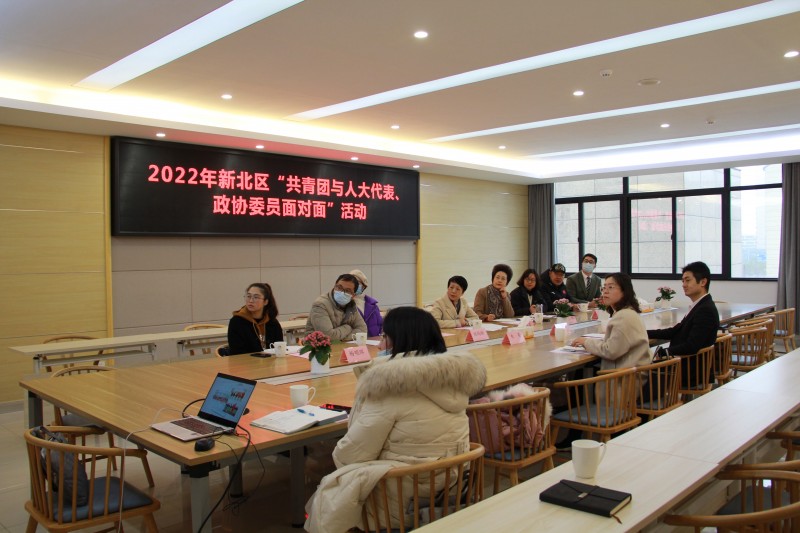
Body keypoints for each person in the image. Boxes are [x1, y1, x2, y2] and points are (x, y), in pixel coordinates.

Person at [307, 307, 487, 532]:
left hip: (400, 501)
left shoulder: (389, 387)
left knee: (323, 465)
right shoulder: (452, 381)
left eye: (384, 337)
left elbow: (350, 455)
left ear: (400, 341)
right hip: (450, 487)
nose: (379, 345)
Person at [646, 261, 720, 387]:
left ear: (703, 282)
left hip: (690, 370)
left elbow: (692, 346)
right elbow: (674, 331)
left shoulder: (705, 310)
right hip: (686, 364)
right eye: (683, 281)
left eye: (688, 280)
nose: (684, 285)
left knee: (637, 371)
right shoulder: (700, 305)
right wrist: (643, 332)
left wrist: (664, 352)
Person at [570, 273, 650, 370]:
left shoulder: (623, 316)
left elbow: (611, 352)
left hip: (625, 376)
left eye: (611, 287)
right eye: (604, 288)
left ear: (624, 291)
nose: (605, 291)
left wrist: (586, 342)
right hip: (631, 372)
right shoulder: (628, 311)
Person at [305, 274, 367, 341]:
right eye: (339, 287)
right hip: (317, 346)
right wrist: (347, 328)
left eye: (347, 290)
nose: (342, 292)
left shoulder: (351, 306)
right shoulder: (320, 304)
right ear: (334, 286)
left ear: (353, 295)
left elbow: (363, 330)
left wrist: (344, 339)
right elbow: (328, 336)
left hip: (342, 345)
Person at [227, 282, 283, 355]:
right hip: (245, 361)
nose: (251, 300)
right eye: (248, 296)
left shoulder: (272, 322)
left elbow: (280, 348)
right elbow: (237, 352)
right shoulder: (237, 322)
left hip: (271, 361)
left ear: (265, 302)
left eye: (256, 297)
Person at [349, 269, 383, 337]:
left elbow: (381, 326)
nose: (354, 284)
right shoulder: (344, 304)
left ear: (364, 285)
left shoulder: (373, 305)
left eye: (357, 282)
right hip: (353, 342)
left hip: (373, 342)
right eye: (351, 282)